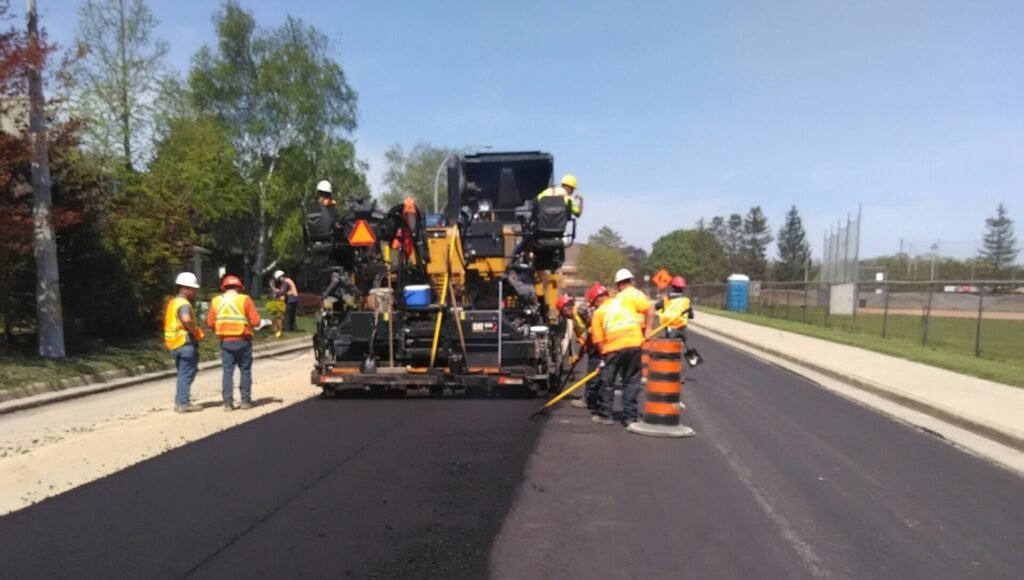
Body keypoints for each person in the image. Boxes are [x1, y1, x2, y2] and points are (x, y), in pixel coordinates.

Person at [589, 280, 646, 426]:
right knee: (631, 381)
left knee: (607, 382)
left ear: (597, 300)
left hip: (613, 348)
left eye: (593, 303)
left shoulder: (599, 313)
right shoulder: (625, 302)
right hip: (634, 343)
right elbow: (642, 318)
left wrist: (603, 359)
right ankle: (630, 417)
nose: (594, 306)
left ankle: (606, 415)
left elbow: (598, 341)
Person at [207, 275, 262, 411]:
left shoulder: (216, 301)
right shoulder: (244, 299)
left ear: (224, 287)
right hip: (243, 340)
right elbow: (256, 322)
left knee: (227, 372)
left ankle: (228, 404)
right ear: (239, 287)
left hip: (225, 341)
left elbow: (209, 323)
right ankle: (245, 401)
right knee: (245, 371)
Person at [164, 272, 206, 413]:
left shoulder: (173, 302)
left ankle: (180, 400)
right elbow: (186, 319)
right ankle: (183, 403)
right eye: (193, 289)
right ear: (186, 288)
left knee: (183, 373)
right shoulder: (184, 304)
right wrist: (195, 331)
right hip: (185, 343)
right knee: (187, 373)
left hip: (174, 344)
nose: (195, 291)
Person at [556, 294, 600, 411]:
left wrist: (585, 338)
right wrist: (579, 355)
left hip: (598, 344)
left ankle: (589, 400)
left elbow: (594, 324)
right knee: (594, 373)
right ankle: (593, 400)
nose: (565, 317)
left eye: (564, 313)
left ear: (566, 309)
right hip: (593, 345)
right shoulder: (576, 316)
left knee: (593, 374)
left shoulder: (581, 309)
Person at [654, 276, 693, 342]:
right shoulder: (686, 300)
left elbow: (656, 307)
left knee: (669, 346)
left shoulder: (666, 300)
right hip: (682, 329)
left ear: (672, 287)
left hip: (670, 328)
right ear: (683, 288)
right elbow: (691, 316)